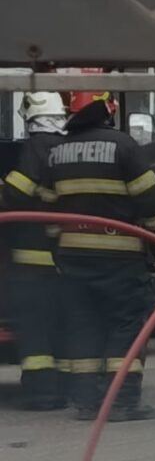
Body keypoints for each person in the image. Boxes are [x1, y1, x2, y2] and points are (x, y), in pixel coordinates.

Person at [21, 91, 155, 421]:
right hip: (121, 259)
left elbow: (48, 209)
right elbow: (151, 204)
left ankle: (87, 402)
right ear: (107, 112)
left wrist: (62, 250)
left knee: (83, 328)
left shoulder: (56, 152)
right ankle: (123, 401)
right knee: (125, 327)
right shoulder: (124, 146)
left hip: (73, 260)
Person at [0, 92, 68, 410]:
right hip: (63, 256)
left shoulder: (37, 145)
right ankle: (64, 387)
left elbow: (17, 193)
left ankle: (42, 391)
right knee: (60, 323)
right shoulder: (68, 145)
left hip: (32, 257)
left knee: (34, 325)